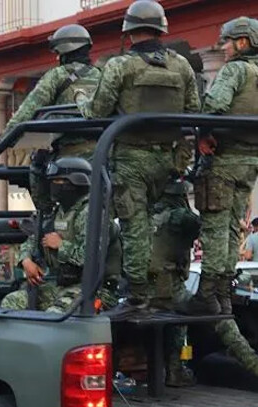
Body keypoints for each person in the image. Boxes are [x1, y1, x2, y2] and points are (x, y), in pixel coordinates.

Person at [75, 0, 201, 312]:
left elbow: (97, 111)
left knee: (134, 227)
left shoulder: (120, 66)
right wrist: (179, 159)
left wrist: (79, 98)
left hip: (131, 160)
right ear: (161, 28)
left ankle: (137, 295)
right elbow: (194, 113)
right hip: (166, 161)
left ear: (129, 32)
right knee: (158, 225)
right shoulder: (182, 66)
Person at [185, 16, 258, 378]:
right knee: (232, 226)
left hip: (225, 162)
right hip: (249, 164)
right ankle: (222, 288)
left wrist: (202, 132)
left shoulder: (235, 71)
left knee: (215, 223)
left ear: (243, 42)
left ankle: (209, 294)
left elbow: (212, 106)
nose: (223, 49)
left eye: (227, 43)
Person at [0, 24, 100, 213]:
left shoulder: (56, 76)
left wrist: (2, 141)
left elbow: (28, 111)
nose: (57, 57)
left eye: (57, 52)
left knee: (37, 164)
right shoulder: (102, 75)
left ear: (64, 51)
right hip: (104, 154)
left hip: (69, 155)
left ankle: (45, 219)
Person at [1, 158, 121, 313]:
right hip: (63, 286)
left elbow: (92, 257)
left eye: (58, 181)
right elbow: (34, 240)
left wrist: (60, 245)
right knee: (12, 303)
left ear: (74, 183)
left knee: (55, 316)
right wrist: (26, 260)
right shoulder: (59, 212)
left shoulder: (91, 213)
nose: (53, 186)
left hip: (95, 290)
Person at [148, 179, 201, 386]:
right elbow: (199, 224)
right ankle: (175, 371)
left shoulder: (146, 216)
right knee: (186, 317)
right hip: (169, 287)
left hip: (142, 288)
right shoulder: (177, 217)